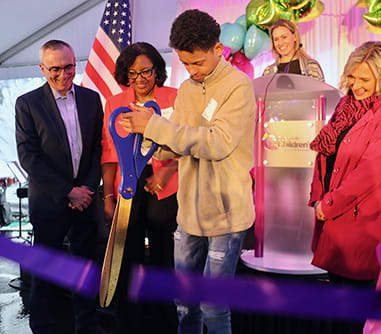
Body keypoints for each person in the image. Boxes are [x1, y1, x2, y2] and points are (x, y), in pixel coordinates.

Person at [119, 9, 256, 334]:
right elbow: (177, 145)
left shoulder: (238, 86)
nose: (192, 71)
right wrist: (144, 136)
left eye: (198, 63)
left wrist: (155, 125)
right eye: (186, 63)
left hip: (227, 215)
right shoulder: (189, 88)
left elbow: (217, 143)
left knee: (212, 304)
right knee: (184, 301)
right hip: (189, 214)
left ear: (218, 49)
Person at [308, 41, 381, 333]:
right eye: (352, 77)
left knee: (353, 314)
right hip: (334, 219)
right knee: (337, 310)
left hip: (359, 221)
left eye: (364, 79)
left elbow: (371, 170)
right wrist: (318, 198)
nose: (356, 85)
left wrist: (328, 205)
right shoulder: (346, 104)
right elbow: (327, 155)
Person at [15, 40, 103, 334]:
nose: (63, 74)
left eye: (68, 66)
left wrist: (87, 190)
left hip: (87, 200)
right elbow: (29, 156)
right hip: (50, 201)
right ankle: (42, 325)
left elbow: (96, 152)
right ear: (42, 69)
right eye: (55, 69)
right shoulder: (27, 104)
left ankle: (87, 324)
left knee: (85, 267)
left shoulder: (92, 99)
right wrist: (69, 191)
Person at [100, 42, 178, 333]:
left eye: (147, 71)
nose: (141, 78)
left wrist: (166, 173)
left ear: (157, 70)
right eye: (134, 73)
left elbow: (186, 146)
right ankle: (128, 323)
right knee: (127, 256)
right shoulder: (115, 102)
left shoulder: (176, 98)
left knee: (162, 256)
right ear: (125, 74)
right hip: (127, 188)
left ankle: (165, 322)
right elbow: (108, 155)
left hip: (165, 185)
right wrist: (108, 197)